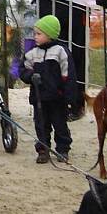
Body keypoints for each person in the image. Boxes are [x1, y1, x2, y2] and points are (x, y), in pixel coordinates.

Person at [19, 15, 75, 164]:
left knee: (60, 124)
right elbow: (23, 70)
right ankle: (43, 149)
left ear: (49, 35)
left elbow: (68, 75)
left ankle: (63, 149)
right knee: (41, 125)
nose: (35, 37)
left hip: (57, 97)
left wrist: (69, 97)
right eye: (34, 33)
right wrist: (31, 76)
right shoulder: (32, 53)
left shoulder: (60, 52)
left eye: (39, 34)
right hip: (39, 98)